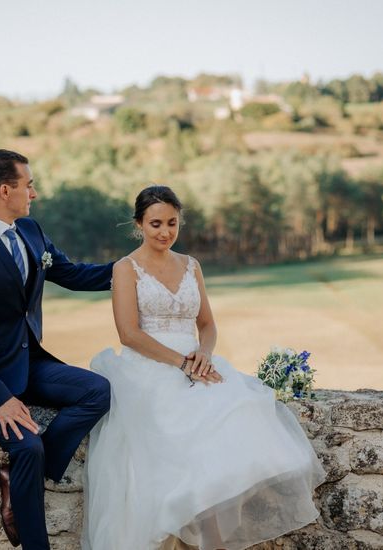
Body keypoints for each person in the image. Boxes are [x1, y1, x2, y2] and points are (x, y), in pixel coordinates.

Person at [83, 185, 326, 550]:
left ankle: (210, 542)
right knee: (175, 454)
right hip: (148, 370)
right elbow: (129, 334)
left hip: (198, 366)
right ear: (138, 225)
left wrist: (204, 355)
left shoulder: (190, 265)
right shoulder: (125, 268)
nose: (165, 232)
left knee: (233, 429)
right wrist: (182, 363)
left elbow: (208, 324)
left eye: (172, 223)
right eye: (155, 224)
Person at [0, 149, 114, 550]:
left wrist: (132, 269)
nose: (33, 193)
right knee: (29, 445)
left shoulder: (32, 232)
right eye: (28, 184)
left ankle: (16, 482)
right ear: (5, 190)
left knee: (98, 391)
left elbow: (71, 273)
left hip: (27, 360)